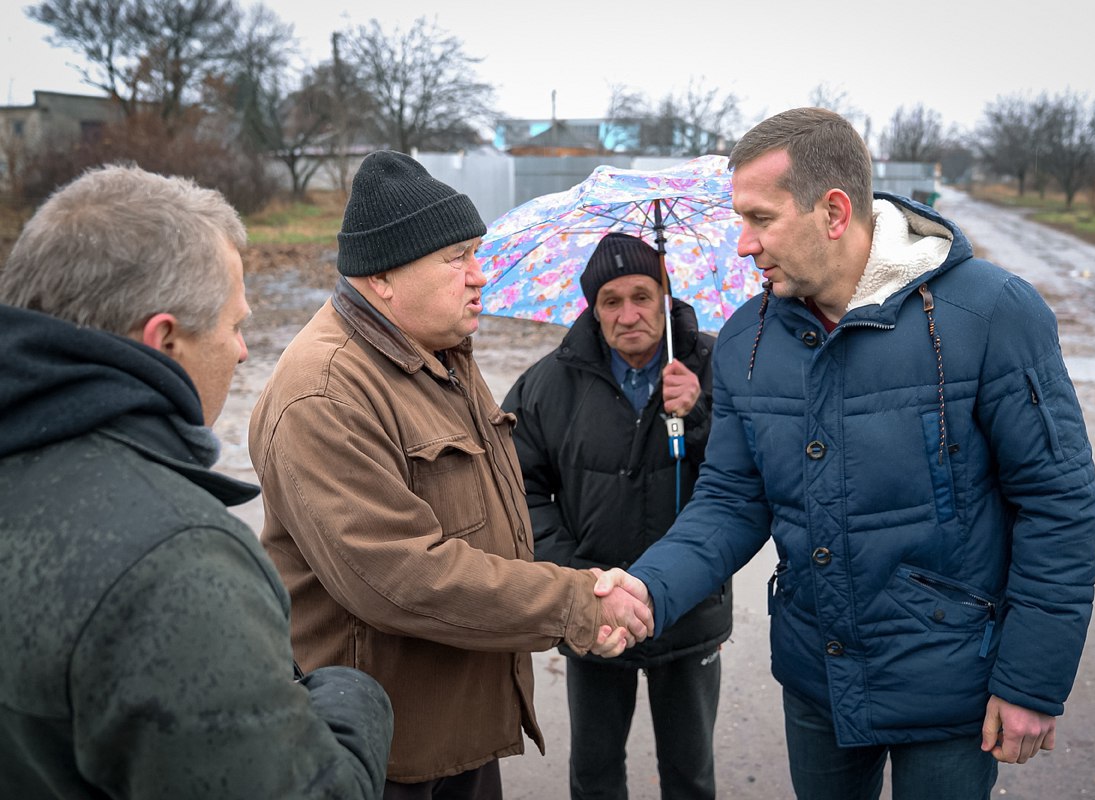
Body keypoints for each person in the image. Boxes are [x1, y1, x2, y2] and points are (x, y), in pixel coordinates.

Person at [598, 107, 1095, 800]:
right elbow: (731, 500)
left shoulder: (993, 314)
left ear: (834, 211)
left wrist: (1031, 682)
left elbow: (1059, 504)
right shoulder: (748, 337)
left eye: (761, 218)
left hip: (952, 684)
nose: (743, 245)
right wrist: (649, 587)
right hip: (818, 677)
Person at [247, 150, 653, 800]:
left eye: (475, 252)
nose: (478, 274)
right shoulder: (324, 394)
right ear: (382, 276)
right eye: (456, 257)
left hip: (454, 727)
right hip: (388, 750)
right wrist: (572, 600)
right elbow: (401, 577)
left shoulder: (435, 351)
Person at [0, 164, 394, 798]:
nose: (242, 351)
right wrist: (352, 699)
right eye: (236, 326)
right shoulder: (175, 560)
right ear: (164, 340)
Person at [503, 232, 732, 800]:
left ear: (665, 297)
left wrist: (701, 412)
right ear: (592, 309)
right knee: (595, 770)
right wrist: (576, 577)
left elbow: (754, 474)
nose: (629, 314)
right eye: (611, 300)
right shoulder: (546, 385)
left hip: (690, 606)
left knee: (690, 771)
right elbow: (515, 491)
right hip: (594, 607)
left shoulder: (717, 366)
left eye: (642, 296)